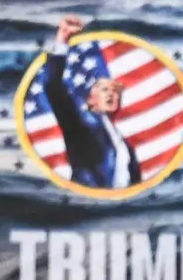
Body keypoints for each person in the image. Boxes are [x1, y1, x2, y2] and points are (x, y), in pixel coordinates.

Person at [33, 14, 139, 190]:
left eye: (116, 92)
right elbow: (52, 87)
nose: (112, 94)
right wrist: (62, 41)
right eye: (105, 89)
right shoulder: (79, 124)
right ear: (90, 98)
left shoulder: (120, 140)